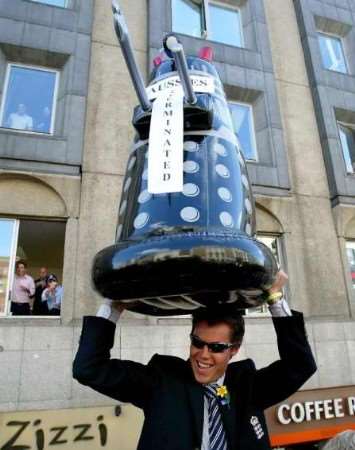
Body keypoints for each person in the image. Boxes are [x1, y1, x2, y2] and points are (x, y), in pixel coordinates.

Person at [73, 271, 317, 450]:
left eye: (217, 347)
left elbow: (300, 365)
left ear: (234, 349)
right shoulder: (162, 380)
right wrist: (113, 306)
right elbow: (89, 368)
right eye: (197, 342)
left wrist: (275, 298)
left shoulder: (248, 386)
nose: (203, 354)